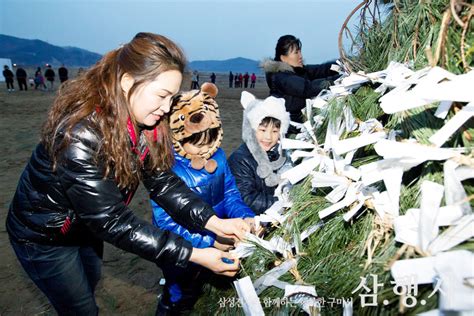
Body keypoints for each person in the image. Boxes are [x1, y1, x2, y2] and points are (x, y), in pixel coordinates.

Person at [6, 32, 249, 315]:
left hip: (86, 224)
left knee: (90, 280)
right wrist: (194, 254)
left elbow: (163, 183)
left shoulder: (146, 123)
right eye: (161, 96)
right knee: (81, 308)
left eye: (172, 98)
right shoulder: (81, 136)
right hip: (44, 235)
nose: (167, 108)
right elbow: (113, 222)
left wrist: (214, 222)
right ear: (127, 82)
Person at [151, 87, 255, 312]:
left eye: (211, 142)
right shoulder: (165, 170)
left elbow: (230, 194)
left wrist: (244, 216)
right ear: (176, 136)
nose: (205, 150)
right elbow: (166, 224)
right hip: (182, 252)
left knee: (206, 286)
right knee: (179, 295)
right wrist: (209, 241)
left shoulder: (217, 155)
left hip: (217, 240)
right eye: (197, 145)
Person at [262, 34, 339, 134]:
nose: (300, 56)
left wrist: (340, 63)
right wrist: (336, 80)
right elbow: (307, 88)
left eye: (300, 51)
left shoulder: (299, 71)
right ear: (283, 58)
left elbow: (321, 69)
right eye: (296, 53)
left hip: (302, 127)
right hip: (289, 131)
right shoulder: (281, 77)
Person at [228, 91, 290, 215]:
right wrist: (284, 203)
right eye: (262, 130)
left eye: (274, 131)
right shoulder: (241, 159)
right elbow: (247, 199)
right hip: (250, 220)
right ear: (252, 129)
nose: (268, 137)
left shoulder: (279, 154)